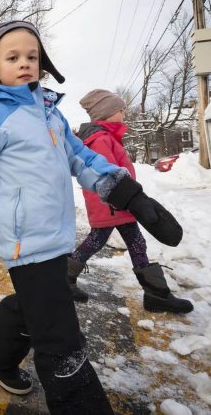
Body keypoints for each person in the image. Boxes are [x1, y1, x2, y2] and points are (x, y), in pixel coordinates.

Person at [0, 20, 183, 413]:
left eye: (31, 56)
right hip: (24, 238)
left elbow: (80, 157)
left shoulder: (50, 114)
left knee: (40, 303)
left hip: (55, 233)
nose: (24, 63)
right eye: (12, 56)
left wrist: (129, 194)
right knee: (60, 337)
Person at [70, 89, 193, 314]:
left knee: (100, 242)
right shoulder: (100, 139)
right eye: (120, 110)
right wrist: (128, 200)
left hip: (117, 204)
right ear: (106, 113)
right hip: (115, 204)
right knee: (131, 243)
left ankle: (66, 279)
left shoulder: (105, 137)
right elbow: (105, 176)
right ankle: (157, 294)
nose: (124, 114)